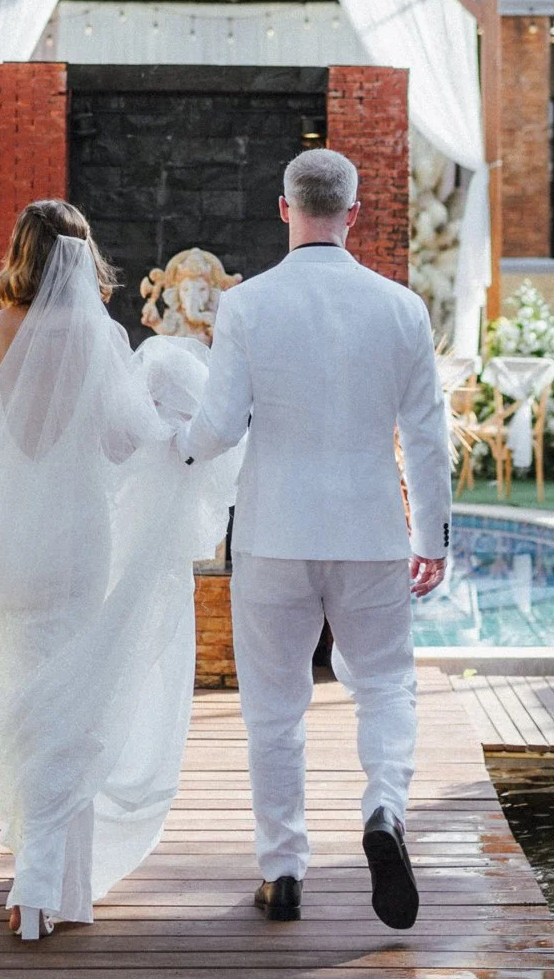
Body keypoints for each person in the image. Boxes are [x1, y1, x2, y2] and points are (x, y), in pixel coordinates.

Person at [0, 200, 224, 941]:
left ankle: (34, 864)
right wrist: (177, 426)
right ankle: (51, 884)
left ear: (22, 254)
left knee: (21, 700)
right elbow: (127, 445)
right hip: (78, 547)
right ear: (79, 258)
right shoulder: (101, 338)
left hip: (1, 548)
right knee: (74, 708)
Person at [177, 148, 451, 932]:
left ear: (283, 208)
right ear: (355, 213)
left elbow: (220, 429)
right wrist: (431, 534)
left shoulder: (248, 306)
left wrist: (174, 447)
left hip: (273, 533)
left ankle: (284, 871)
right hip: (371, 531)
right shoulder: (401, 308)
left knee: (273, 707)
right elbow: (427, 436)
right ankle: (383, 810)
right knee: (387, 685)